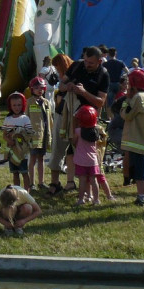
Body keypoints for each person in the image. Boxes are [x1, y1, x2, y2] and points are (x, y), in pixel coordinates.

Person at [48, 46, 109, 196]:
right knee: (58, 146)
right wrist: (66, 87)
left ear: (99, 61)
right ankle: (55, 183)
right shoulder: (76, 66)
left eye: (91, 63)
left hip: (86, 119)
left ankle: (89, 188)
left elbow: (100, 102)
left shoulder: (103, 75)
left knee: (86, 153)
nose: (86, 64)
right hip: (65, 114)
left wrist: (83, 92)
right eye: (85, 60)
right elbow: (61, 85)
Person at [121, 69, 144, 206]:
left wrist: (126, 100)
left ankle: (141, 197)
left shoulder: (137, 98)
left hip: (137, 140)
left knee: (140, 172)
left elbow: (127, 115)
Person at [1, 92, 33, 190]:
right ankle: (18, 191)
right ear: (10, 106)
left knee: (24, 172)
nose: (17, 107)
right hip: (12, 151)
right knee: (15, 173)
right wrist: (9, 140)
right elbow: (4, 135)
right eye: (14, 105)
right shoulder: (8, 119)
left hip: (21, 151)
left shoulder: (25, 119)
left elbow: (29, 134)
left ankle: (26, 192)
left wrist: (20, 136)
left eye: (19, 105)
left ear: (23, 105)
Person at [72, 105, 101, 205]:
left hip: (81, 160)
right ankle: (96, 199)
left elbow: (74, 142)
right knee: (94, 181)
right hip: (93, 160)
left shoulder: (78, 131)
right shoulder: (96, 131)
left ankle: (81, 199)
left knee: (82, 181)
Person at [27, 77, 52, 191]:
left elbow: (50, 119)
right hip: (33, 136)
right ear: (32, 89)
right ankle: (31, 183)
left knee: (41, 158)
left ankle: (41, 182)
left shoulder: (46, 103)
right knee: (32, 159)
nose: (39, 90)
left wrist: (50, 135)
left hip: (44, 136)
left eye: (41, 88)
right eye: (36, 88)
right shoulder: (29, 102)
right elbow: (26, 118)